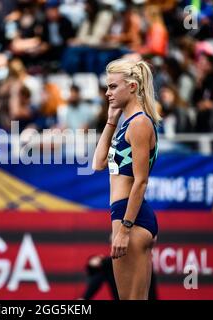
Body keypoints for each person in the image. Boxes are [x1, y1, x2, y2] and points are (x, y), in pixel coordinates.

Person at [92, 58, 161, 300]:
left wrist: (124, 229)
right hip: (126, 215)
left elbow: (141, 181)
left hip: (131, 217)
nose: (107, 93)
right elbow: (98, 163)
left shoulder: (140, 123)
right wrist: (111, 119)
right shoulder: (126, 124)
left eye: (113, 86)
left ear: (132, 87)